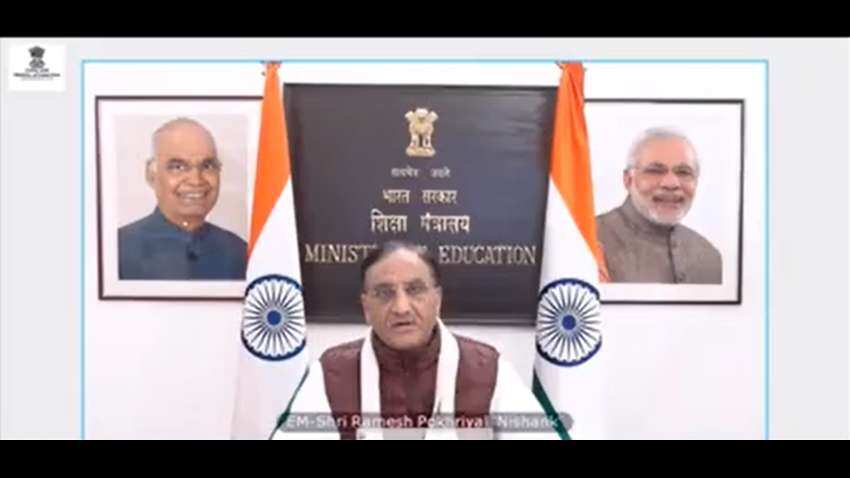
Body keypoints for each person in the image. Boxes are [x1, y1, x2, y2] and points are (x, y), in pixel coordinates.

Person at [272, 241, 560, 440]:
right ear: (366, 307)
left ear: (438, 299)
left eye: (415, 290)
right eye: (384, 293)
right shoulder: (333, 372)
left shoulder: (487, 369)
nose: (401, 307)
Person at [118, 117, 247, 280]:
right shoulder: (117, 251)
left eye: (207, 166)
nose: (196, 180)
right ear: (151, 176)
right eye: (178, 167)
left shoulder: (239, 252)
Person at [596, 127, 722, 284]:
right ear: (628, 180)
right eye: (655, 171)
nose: (671, 183)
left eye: (683, 172)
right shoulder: (588, 241)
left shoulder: (708, 256)